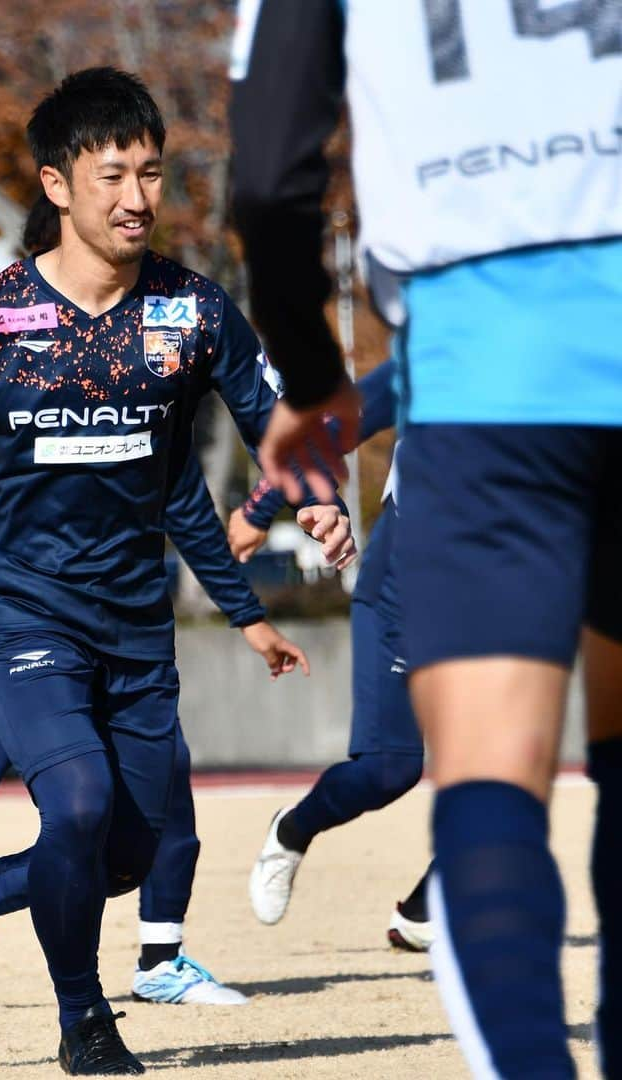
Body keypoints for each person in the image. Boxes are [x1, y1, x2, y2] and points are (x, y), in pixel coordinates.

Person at [0, 66, 349, 1075]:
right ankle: (84, 1022)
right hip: (18, 608)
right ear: (58, 185)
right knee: (72, 806)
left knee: (123, 853)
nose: (137, 197)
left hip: (134, 620)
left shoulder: (192, 314)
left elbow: (271, 413)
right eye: (113, 174)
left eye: (151, 173)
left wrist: (317, 492)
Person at [229, 5, 622, 1076]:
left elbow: (266, 182)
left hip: (493, 375)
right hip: (519, 376)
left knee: (487, 780)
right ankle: (309, 840)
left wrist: (307, 383)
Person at [0, 400, 349, 1013]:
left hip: (101, 616)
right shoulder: (0, 353)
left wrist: (248, 617)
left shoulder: (138, 374)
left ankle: (159, 956)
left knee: (165, 773)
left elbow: (182, 501)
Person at [229, 359, 432, 950]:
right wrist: (260, 509)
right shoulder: (450, 339)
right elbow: (324, 428)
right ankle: (292, 830)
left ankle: (425, 910)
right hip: (405, 594)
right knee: (390, 769)